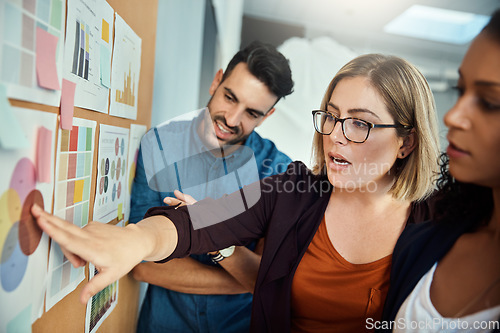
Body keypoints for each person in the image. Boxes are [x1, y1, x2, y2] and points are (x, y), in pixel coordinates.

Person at [31, 53, 440, 332]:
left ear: (406, 142)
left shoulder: (437, 227)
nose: (335, 136)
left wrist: (261, 279)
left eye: (360, 123)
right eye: (330, 117)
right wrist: (136, 239)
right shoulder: (293, 189)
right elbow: (197, 221)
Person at [129, 41, 294, 332]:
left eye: (251, 113)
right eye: (230, 97)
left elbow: (269, 282)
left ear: (267, 116)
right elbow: (141, 263)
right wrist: (245, 280)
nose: (231, 119)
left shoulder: (278, 171)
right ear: (216, 81)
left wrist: (208, 233)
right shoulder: (159, 147)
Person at [380, 10, 500, 332]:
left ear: (407, 143)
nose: (453, 116)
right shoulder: (420, 243)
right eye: (461, 91)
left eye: (490, 102)